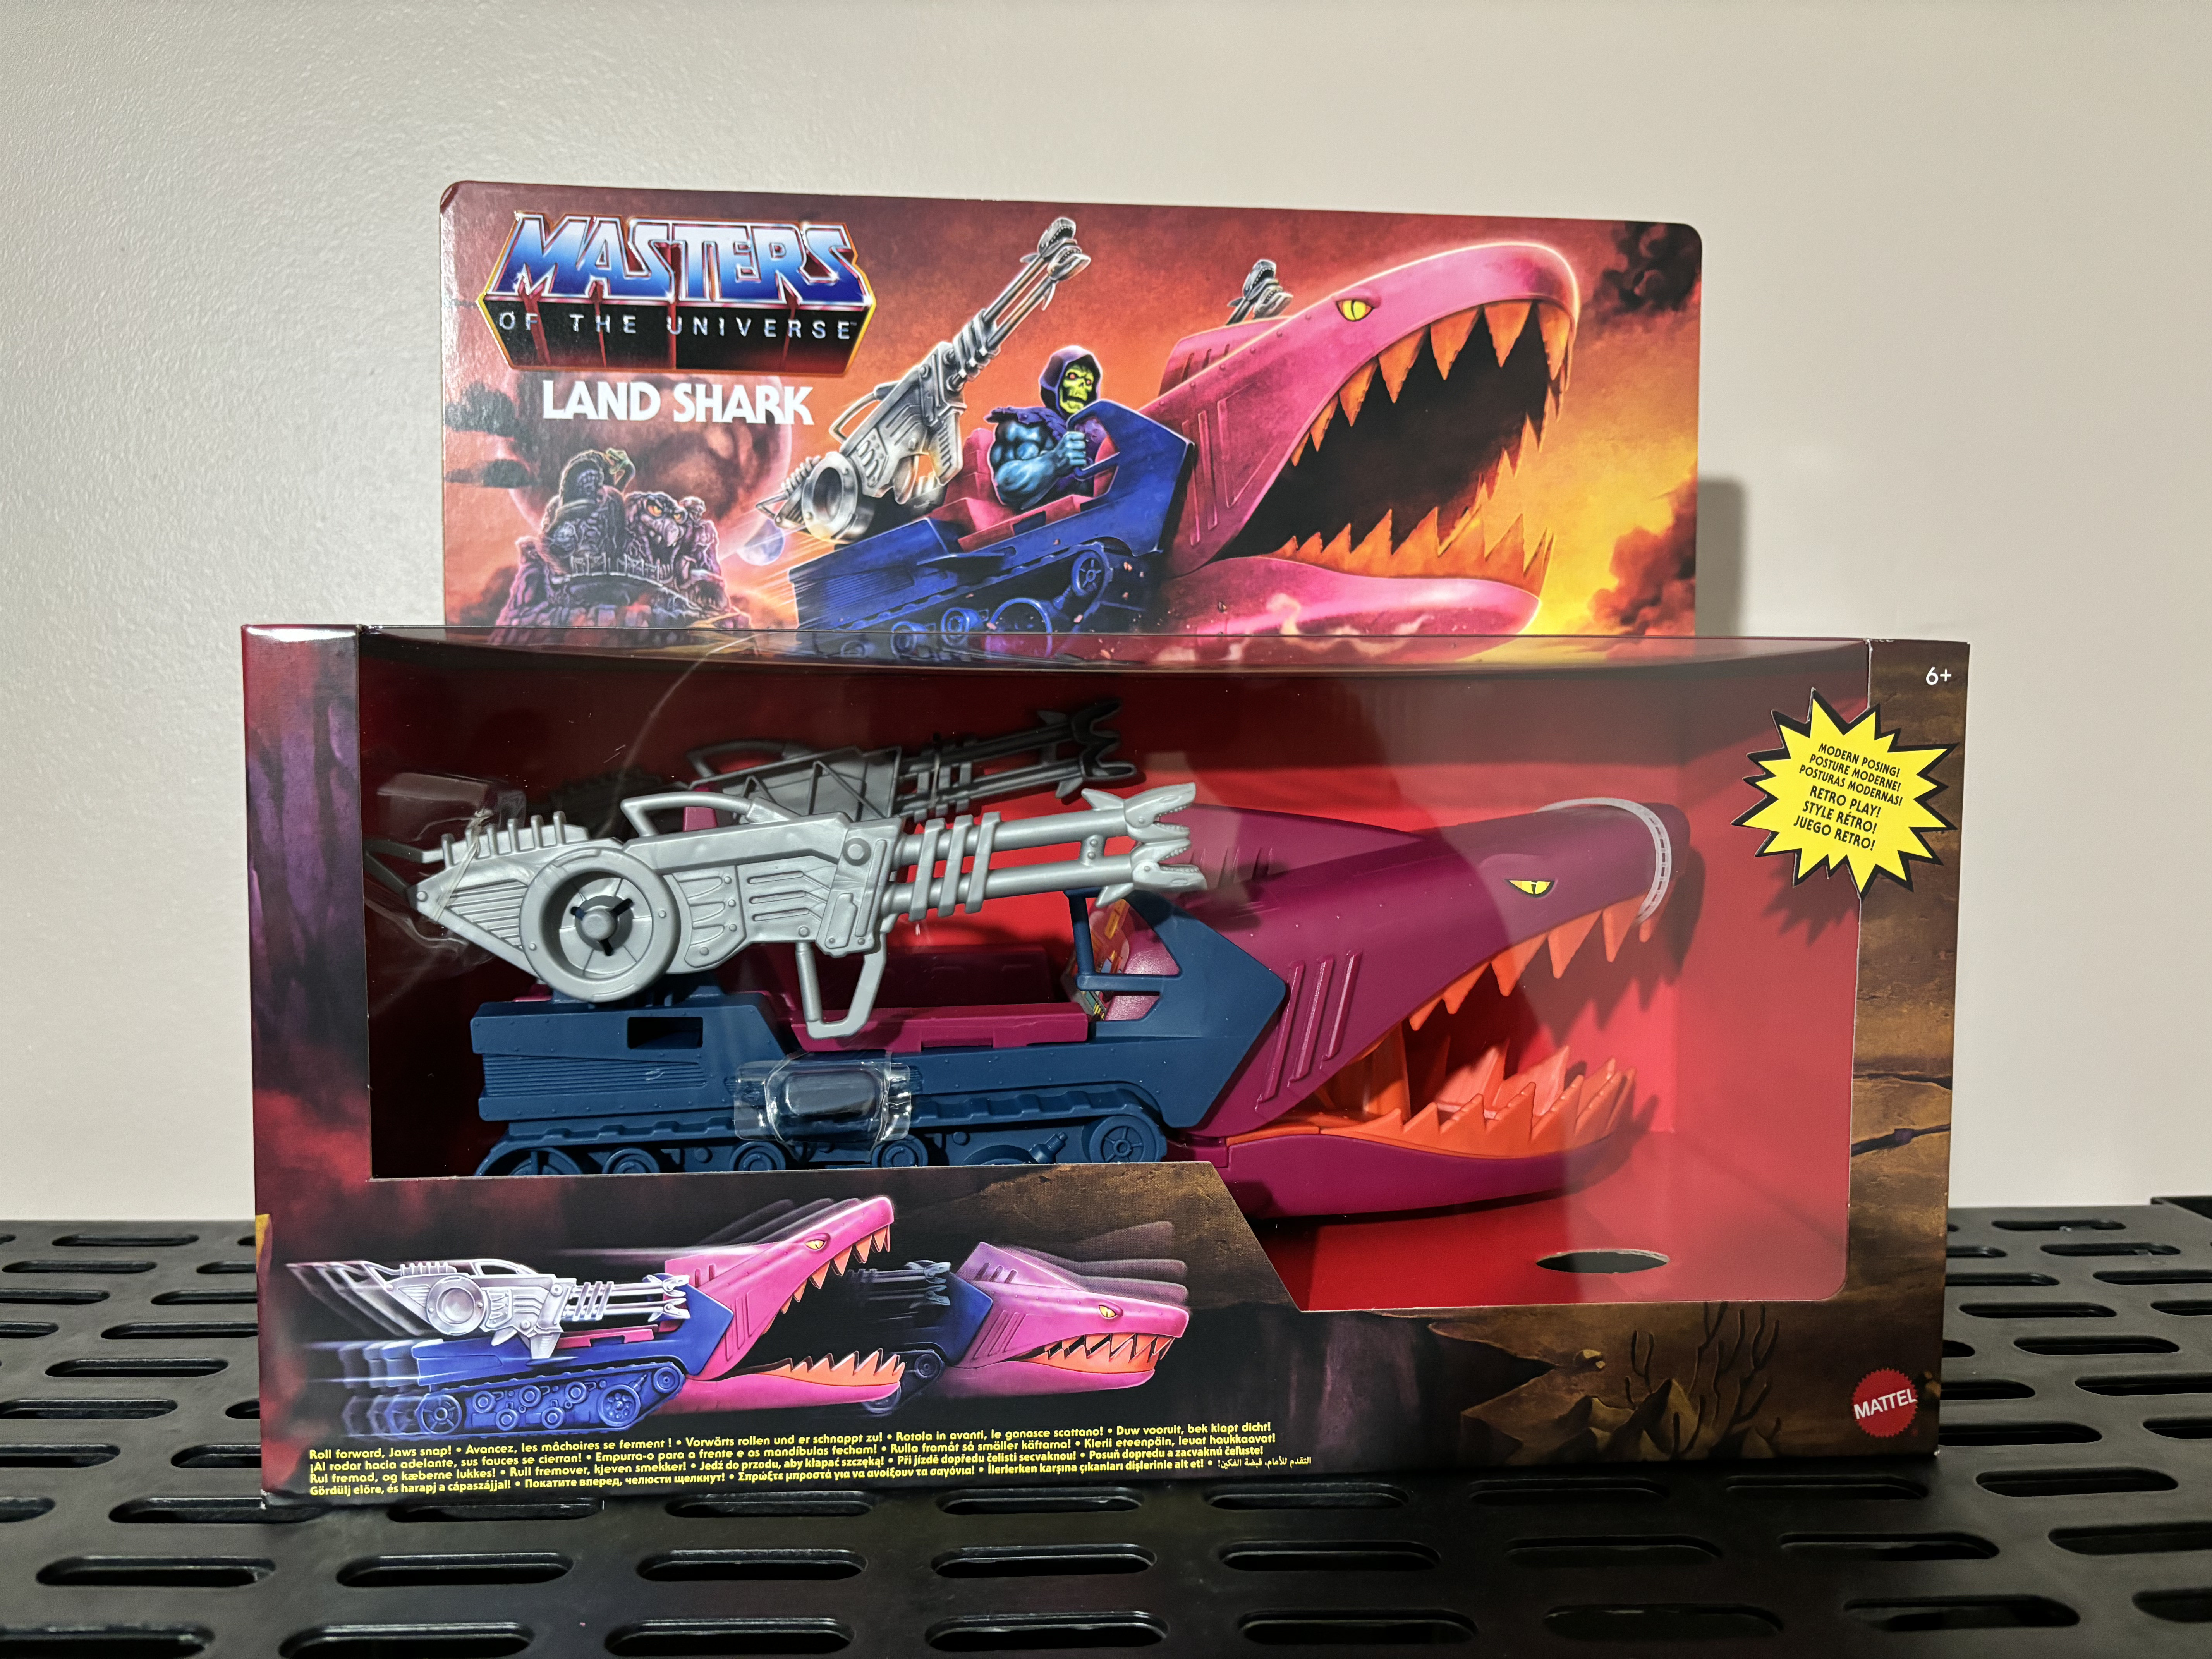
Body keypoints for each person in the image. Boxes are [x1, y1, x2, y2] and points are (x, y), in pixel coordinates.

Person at [988, 347, 1109, 512]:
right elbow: (1006, 484)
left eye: (1088, 382)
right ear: (1055, 381)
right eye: (1073, 377)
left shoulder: (1101, 431)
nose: (1083, 385)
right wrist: (1053, 462)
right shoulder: (1028, 426)